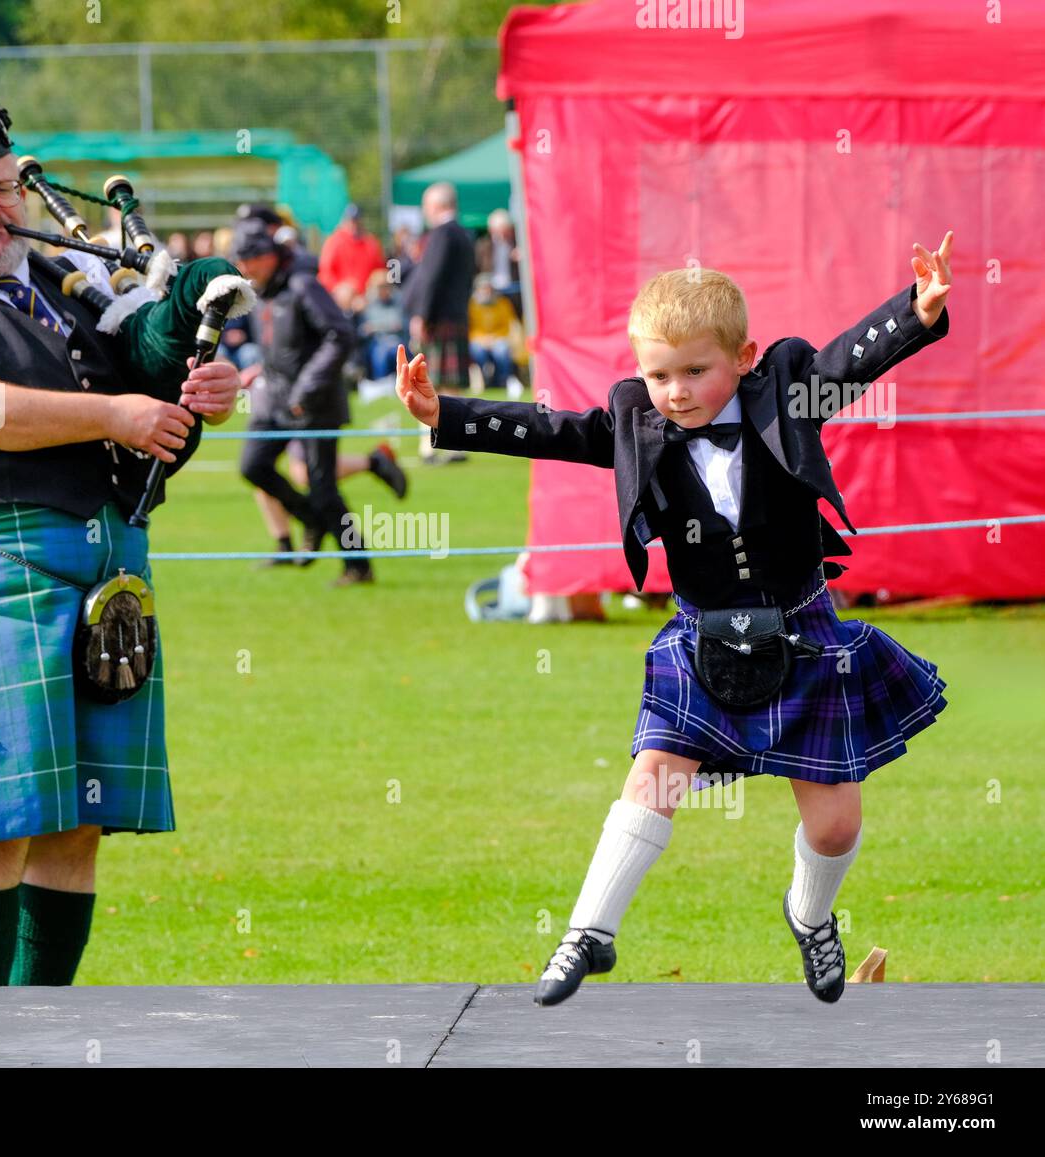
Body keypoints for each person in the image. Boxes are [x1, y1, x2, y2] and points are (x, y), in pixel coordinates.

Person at [397, 232, 955, 1007]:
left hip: (804, 628)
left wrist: (917, 313)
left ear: (745, 356)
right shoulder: (635, 421)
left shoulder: (787, 392)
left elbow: (844, 362)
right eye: (658, 374)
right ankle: (586, 934)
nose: (677, 391)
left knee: (833, 826)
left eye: (696, 370)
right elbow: (553, 429)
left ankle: (810, 914)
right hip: (700, 637)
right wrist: (447, 414)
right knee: (652, 778)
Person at [0, 100, 242, 988]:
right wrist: (113, 414)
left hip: (109, 575)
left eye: (2, 186)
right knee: (0, 825)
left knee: (77, 821)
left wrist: (200, 388)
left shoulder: (67, 282)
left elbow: (150, 379)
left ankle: (44, 1030)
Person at [232, 217, 375, 586]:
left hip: (315, 403)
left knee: (324, 488)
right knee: (253, 465)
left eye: (248, 261)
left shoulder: (302, 284)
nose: (243, 269)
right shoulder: (262, 291)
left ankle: (358, 565)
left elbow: (339, 335)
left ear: (267, 257)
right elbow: (281, 345)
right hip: (275, 401)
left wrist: (306, 389)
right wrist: (257, 371)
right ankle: (310, 517)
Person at [402, 181, 475, 462]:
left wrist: (421, 315)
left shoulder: (442, 235)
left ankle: (433, 445)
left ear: (437, 206)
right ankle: (454, 444)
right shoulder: (464, 235)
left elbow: (430, 280)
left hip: (438, 319)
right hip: (456, 316)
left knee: (427, 382)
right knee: (450, 385)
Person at [318, 203, 387, 306]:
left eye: (356, 220)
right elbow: (325, 273)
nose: (354, 224)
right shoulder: (334, 241)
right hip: (341, 299)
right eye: (351, 220)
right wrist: (339, 288)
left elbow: (379, 270)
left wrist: (379, 284)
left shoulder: (371, 243)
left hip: (367, 300)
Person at [467, 273, 523, 396]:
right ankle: (486, 379)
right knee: (477, 350)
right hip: (478, 339)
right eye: (483, 289)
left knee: (501, 350)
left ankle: (503, 380)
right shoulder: (472, 305)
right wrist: (482, 339)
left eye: (488, 288)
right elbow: (470, 328)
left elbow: (508, 325)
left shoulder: (503, 303)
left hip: (499, 338)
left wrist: (495, 338)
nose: (486, 292)